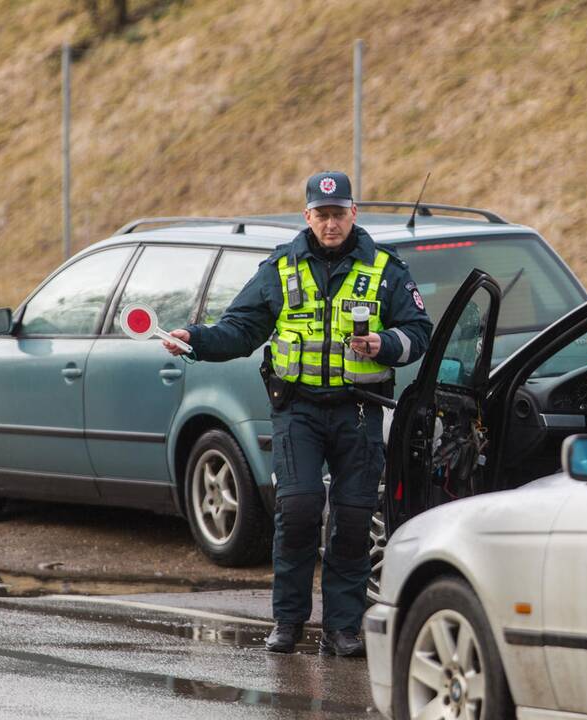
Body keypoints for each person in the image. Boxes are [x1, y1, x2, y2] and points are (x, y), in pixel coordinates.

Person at [164, 171, 432, 657]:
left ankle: (342, 629)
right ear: (307, 216)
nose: (330, 224)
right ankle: (287, 622)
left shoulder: (386, 269)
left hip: (359, 412)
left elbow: (419, 331)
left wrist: (385, 344)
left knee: (352, 518)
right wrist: (194, 340)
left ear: (354, 214)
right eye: (321, 215)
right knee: (300, 509)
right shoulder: (281, 267)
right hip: (298, 412)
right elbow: (241, 329)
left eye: (339, 214)